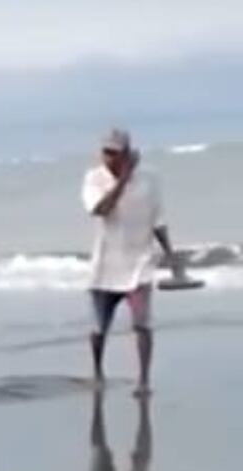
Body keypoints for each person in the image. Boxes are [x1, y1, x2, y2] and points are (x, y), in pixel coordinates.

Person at [81, 128, 186, 396]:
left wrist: (171, 255)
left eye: (115, 153)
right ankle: (97, 372)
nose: (109, 158)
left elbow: (158, 220)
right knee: (98, 329)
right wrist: (123, 180)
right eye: (106, 152)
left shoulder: (149, 179)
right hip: (105, 266)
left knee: (142, 324)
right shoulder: (94, 179)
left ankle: (143, 380)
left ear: (128, 152)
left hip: (139, 263)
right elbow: (101, 210)